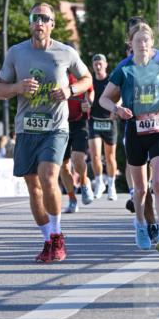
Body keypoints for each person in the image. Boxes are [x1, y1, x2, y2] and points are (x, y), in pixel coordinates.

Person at [0, 1, 91, 263]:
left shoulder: (66, 52)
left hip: (55, 127)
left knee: (49, 176)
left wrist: (70, 91)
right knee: (33, 187)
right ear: (30, 22)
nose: (39, 22)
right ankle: (47, 239)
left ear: (52, 24)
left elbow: (87, 79)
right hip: (26, 128)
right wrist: (18, 88)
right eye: (34, 17)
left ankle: (58, 235)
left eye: (44, 18)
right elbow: (0, 89)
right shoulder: (16, 52)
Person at [101, 22, 159, 253]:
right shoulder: (124, 69)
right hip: (134, 130)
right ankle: (139, 223)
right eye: (138, 40)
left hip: (158, 128)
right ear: (131, 44)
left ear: (152, 43)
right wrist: (117, 109)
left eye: (146, 40)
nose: (143, 44)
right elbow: (104, 99)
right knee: (140, 190)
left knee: (158, 183)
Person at [60, 72, 94, 213]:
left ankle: (84, 182)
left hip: (79, 123)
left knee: (77, 159)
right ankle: (72, 199)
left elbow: (91, 91)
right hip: (60, 124)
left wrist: (89, 103)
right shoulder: (55, 74)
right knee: (63, 165)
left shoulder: (81, 74)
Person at [88, 53, 118, 200]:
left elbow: (120, 96)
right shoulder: (90, 81)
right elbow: (86, 98)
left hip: (109, 121)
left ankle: (111, 185)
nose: (98, 66)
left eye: (100, 63)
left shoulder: (111, 80)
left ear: (105, 65)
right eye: (95, 64)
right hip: (94, 121)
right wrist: (85, 105)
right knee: (94, 155)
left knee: (110, 156)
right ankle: (99, 182)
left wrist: (116, 108)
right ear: (93, 66)